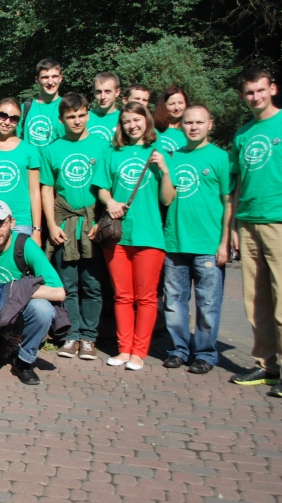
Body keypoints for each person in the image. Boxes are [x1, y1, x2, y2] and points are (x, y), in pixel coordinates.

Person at [228, 68, 282, 399]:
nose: (255, 97)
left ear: (272, 89)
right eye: (249, 92)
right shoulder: (243, 133)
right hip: (248, 223)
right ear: (242, 96)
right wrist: (234, 227)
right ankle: (267, 365)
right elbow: (237, 185)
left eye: (260, 90)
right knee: (255, 300)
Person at [94, 101, 176, 371]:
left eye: (137, 119)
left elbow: (167, 199)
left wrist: (164, 169)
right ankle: (123, 348)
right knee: (122, 295)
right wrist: (110, 202)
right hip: (118, 235)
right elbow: (102, 188)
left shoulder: (158, 151)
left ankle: (139, 352)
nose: (132, 125)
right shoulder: (113, 152)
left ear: (146, 120)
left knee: (146, 297)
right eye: (127, 121)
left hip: (149, 235)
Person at [0, 200, 66, 385]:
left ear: (12, 222)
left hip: (17, 311)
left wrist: (18, 291)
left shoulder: (25, 245)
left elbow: (58, 292)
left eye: (0, 223)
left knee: (43, 309)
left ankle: (23, 362)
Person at [162, 105, 233, 374]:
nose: (193, 127)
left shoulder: (221, 158)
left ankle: (204, 353)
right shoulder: (173, 157)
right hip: (175, 242)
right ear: (181, 125)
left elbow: (229, 202)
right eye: (188, 122)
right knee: (174, 302)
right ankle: (178, 349)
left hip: (208, 244)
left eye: (199, 122)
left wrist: (225, 242)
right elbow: (166, 198)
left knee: (208, 304)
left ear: (210, 125)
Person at [40, 93, 106, 361]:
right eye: (71, 116)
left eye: (81, 115)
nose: (77, 121)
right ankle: (71, 335)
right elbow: (47, 188)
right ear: (61, 119)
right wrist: (51, 224)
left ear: (88, 115)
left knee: (92, 284)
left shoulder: (102, 146)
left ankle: (89, 337)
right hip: (65, 224)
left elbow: (108, 187)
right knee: (67, 283)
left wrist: (101, 222)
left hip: (92, 225)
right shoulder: (52, 150)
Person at [0, 98, 42, 241]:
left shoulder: (29, 150)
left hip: (20, 220)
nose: (7, 122)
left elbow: (34, 192)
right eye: (3, 116)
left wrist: (37, 230)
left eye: (14, 118)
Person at [20, 58, 65, 148]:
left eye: (54, 77)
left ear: (60, 78)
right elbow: (13, 140)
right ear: (37, 80)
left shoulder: (68, 107)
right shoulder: (25, 108)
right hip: (30, 157)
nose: (50, 82)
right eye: (45, 77)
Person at [153, 86, 189, 154]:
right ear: (164, 106)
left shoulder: (190, 129)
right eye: (172, 104)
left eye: (180, 103)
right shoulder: (154, 129)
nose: (176, 108)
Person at [88, 72, 121, 145]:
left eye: (107, 92)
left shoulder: (124, 119)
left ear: (117, 92)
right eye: (98, 92)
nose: (103, 97)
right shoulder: (84, 118)